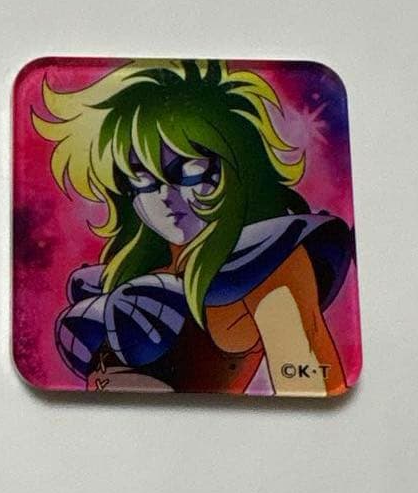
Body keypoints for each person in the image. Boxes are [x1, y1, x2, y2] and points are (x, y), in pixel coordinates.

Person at [33, 60, 353, 395]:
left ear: (236, 165)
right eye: (141, 178)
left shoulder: (262, 264)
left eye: (188, 169)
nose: (165, 195)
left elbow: (309, 387)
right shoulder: (128, 273)